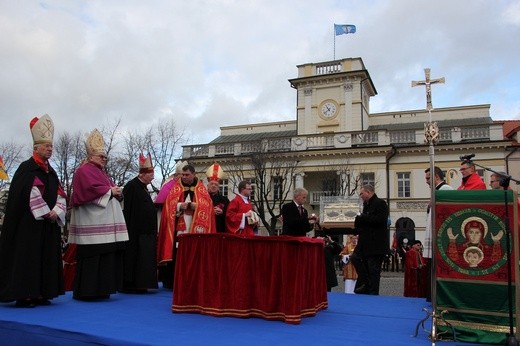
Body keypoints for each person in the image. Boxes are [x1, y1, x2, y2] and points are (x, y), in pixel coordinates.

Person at [0, 114, 67, 308]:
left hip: (49, 224)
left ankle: (42, 292)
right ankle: (25, 294)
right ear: (35, 148)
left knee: (45, 258)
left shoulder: (51, 172)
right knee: (28, 258)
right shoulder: (26, 169)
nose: (50, 149)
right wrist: (46, 212)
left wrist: (57, 211)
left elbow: (60, 193)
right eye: (46, 146)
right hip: (29, 225)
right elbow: (30, 193)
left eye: (51, 146)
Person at [68, 129, 129, 300]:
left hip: (105, 223)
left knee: (107, 255)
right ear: (91, 156)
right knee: (92, 256)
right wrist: (110, 191)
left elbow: (107, 188)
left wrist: (117, 192)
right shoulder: (83, 171)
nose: (104, 159)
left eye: (105, 157)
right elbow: (87, 191)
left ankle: (103, 289)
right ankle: (88, 291)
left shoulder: (102, 172)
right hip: (91, 222)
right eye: (101, 156)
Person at [157, 164, 215, 288]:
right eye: (182, 174)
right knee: (178, 253)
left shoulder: (201, 189)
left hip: (196, 226)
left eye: (187, 175)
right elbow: (168, 205)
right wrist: (179, 206)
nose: (184, 177)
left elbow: (208, 206)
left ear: (194, 175)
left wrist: (197, 206)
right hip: (179, 226)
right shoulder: (176, 187)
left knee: (194, 253)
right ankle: (174, 282)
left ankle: (193, 281)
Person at [121, 153, 158, 293]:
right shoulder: (131, 186)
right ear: (143, 174)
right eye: (151, 174)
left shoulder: (144, 188)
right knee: (134, 258)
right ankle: (132, 285)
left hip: (145, 232)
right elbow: (127, 210)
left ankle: (142, 284)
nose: (153, 177)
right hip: (135, 232)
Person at [351, 184, 389, 295]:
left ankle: (373, 292)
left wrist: (363, 216)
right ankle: (365, 282)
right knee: (355, 258)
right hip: (365, 243)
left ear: (368, 192)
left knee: (373, 269)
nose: (361, 196)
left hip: (376, 244)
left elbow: (381, 219)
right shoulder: (366, 204)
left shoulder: (380, 203)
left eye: (362, 193)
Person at [424, 166, 453, 301]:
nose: (426, 181)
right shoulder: (436, 191)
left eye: (428, 178)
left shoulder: (445, 190)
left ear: (436, 177)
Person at [206, 162, 229, 233]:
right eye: (211, 184)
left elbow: (230, 214)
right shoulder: (202, 198)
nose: (213, 186)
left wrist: (223, 212)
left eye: (216, 184)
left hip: (219, 229)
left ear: (218, 187)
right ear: (208, 185)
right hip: (206, 227)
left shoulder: (224, 200)